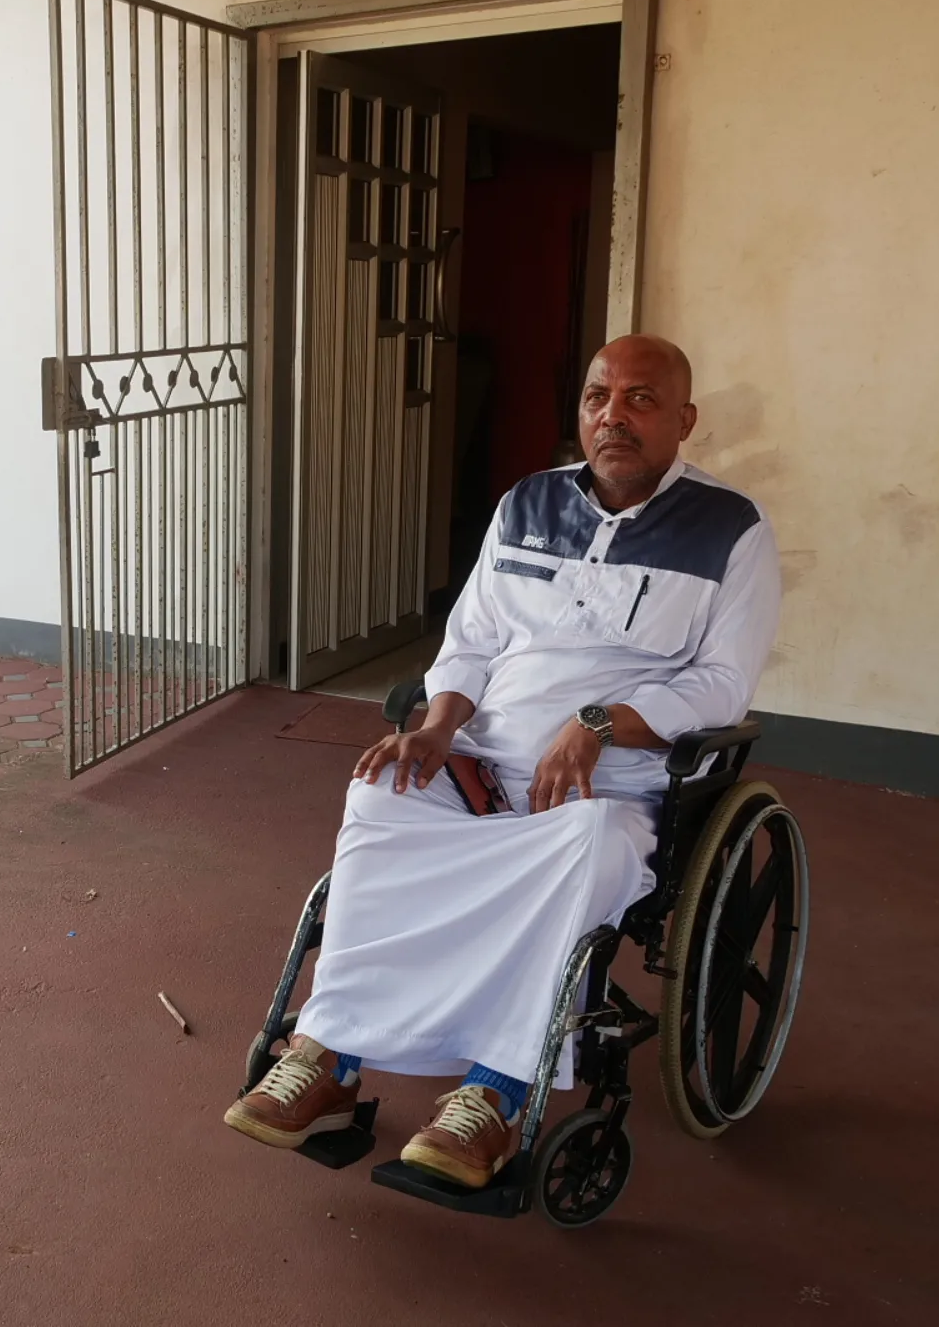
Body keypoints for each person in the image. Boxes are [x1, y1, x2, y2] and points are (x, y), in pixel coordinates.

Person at [223, 335, 782, 1190]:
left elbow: (722, 681)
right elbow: (474, 638)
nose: (613, 417)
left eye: (639, 400)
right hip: (487, 763)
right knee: (384, 792)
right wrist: (439, 727)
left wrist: (597, 723)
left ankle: (495, 1091)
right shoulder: (527, 504)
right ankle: (328, 1056)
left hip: (613, 785)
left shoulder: (731, 530)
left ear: (684, 420)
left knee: (584, 845)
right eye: (598, 396)